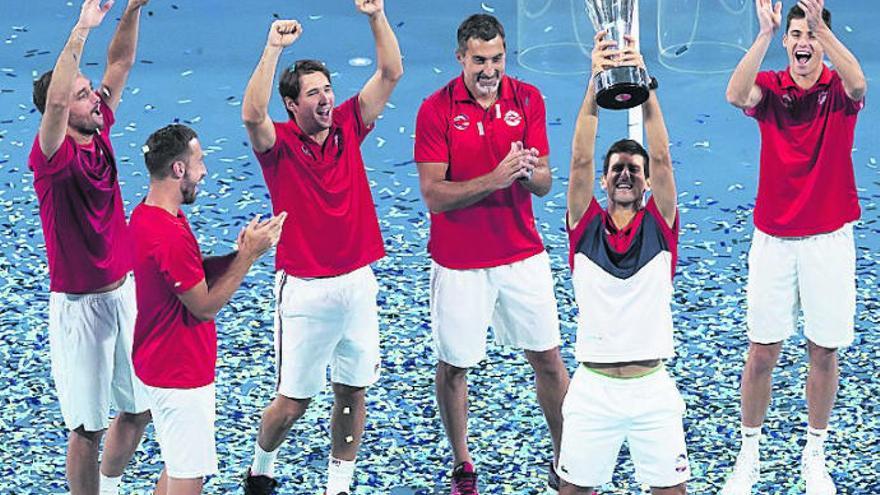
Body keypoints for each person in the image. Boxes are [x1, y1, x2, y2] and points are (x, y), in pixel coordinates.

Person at [238, 1, 403, 494]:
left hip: (357, 284)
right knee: (292, 405)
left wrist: (376, 16)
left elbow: (391, 71)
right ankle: (260, 469)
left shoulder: (351, 124)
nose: (327, 99)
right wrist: (272, 48)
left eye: (328, 89)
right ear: (292, 105)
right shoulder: (280, 146)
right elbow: (251, 114)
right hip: (306, 293)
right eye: (314, 94)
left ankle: (339, 485)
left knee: (353, 392)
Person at [414, 13, 570, 495]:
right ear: (460, 57)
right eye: (480, 60)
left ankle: (566, 457)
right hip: (459, 263)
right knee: (455, 364)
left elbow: (544, 182)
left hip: (521, 254)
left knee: (547, 358)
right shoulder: (435, 110)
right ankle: (463, 463)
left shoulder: (528, 99)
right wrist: (496, 179)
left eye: (497, 58)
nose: (489, 69)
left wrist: (527, 174)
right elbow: (434, 195)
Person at [720, 1, 866, 493]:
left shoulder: (839, 91)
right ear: (786, 43)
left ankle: (815, 453)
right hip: (775, 241)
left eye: (812, 34)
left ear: (823, 39)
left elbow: (860, 83)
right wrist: (763, 33)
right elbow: (736, 92)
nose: (803, 42)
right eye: (795, 34)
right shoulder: (774, 89)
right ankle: (750, 452)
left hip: (828, 240)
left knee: (823, 350)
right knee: (762, 351)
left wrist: (823, 28)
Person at [555, 32, 687, 495]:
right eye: (617, 169)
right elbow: (578, 160)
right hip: (593, 390)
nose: (627, 172)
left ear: (648, 183)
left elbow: (665, 159)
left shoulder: (661, 227)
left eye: (635, 168)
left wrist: (646, 88)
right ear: (605, 183)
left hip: (652, 389)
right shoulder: (583, 226)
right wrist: (595, 85)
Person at [28, 1, 152, 493]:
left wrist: (134, 8)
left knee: (139, 410)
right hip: (79, 308)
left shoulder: (98, 132)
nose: (93, 98)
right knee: (87, 428)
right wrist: (81, 28)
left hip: (124, 293)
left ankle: (110, 486)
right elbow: (56, 103)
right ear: (61, 108)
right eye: (82, 94)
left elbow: (119, 63)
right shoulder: (52, 156)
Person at [131, 124, 286, 495]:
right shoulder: (167, 234)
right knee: (188, 477)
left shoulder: (148, 217)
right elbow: (203, 306)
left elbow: (189, 272)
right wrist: (249, 257)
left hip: (160, 364)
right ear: (179, 170)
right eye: (199, 162)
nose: (204, 172)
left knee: (176, 465)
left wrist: (238, 253)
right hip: (180, 372)